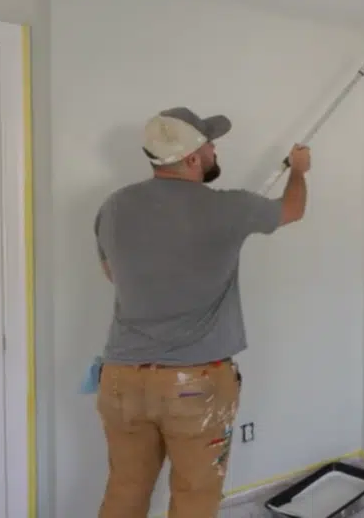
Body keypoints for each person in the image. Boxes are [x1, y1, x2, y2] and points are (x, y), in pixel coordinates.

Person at [92, 107, 311, 518]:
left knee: (124, 489)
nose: (214, 150)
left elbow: (112, 274)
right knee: (195, 495)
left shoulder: (114, 206)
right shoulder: (228, 207)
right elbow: (292, 209)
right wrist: (299, 170)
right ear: (192, 159)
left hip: (120, 380)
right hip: (194, 385)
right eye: (210, 144)